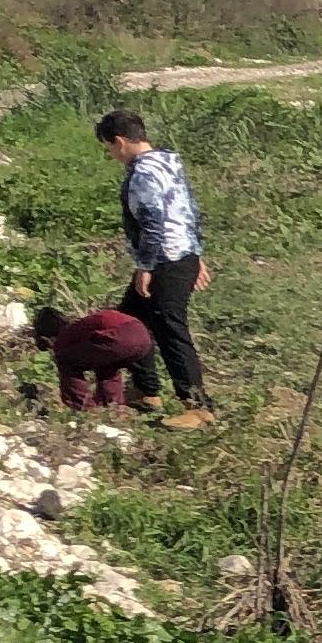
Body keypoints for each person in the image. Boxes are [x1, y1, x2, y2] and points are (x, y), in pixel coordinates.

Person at [94, 106, 215, 422]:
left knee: (169, 329)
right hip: (182, 254)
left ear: (120, 142)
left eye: (109, 149)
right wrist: (195, 254)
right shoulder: (168, 162)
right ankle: (146, 390)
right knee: (130, 320)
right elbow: (188, 211)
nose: (112, 156)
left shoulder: (143, 174)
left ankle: (198, 406)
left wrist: (145, 266)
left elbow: (153, 221)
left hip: (164, 260)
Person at [30, 297, 157, 415]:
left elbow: (66, 360)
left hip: (122, 335)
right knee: (106, 366)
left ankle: (82, 408)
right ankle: (113, 409)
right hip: (143, 336)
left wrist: (75, 400)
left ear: (47, 338)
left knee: (65, 360)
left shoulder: (65, 337)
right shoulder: (80, 328)